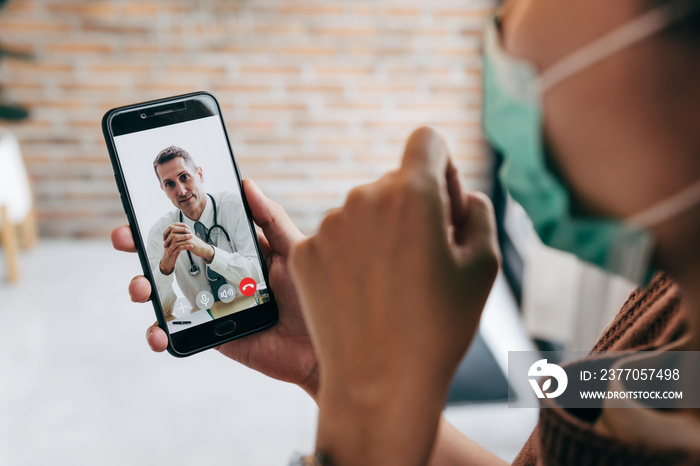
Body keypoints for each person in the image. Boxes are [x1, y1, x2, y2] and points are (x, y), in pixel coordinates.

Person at [112, 0, 700, 464]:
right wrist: (333, 371)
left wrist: (371, 403)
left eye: (528, 76)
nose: (502, 76)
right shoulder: (674, 308)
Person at [147, 145, 262, 315]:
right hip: (206, 326)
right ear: (164, 190)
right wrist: (165, 268)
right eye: (170, 184)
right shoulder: (159, 234)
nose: (181, 190)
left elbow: (258, 278)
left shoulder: (235, 207)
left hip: (253, 309)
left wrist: (209, 253)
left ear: (199, 174)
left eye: (184, 177)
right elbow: (165, 311)